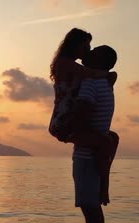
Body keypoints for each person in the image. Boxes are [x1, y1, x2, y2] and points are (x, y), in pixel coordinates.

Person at [49, 28, 117, 205]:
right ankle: (103, 189)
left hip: (68, 118)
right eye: (86, 46)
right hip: (64, 122)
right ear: (75, 45)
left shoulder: (75, 68)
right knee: (105, 142)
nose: (88, 50)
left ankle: (104, 186)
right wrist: (110, 74)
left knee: (112, 138)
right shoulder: (64, 63)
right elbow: (92, 73)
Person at [70, 45, 119, 223]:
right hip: (92, 152)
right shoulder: (105, 83)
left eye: (94, 52)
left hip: (86, 154)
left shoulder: (91, 83)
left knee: (90, 208)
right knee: (92, 207)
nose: (88, 54)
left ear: (100, 61)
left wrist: (69, 128)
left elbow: (84, 109)